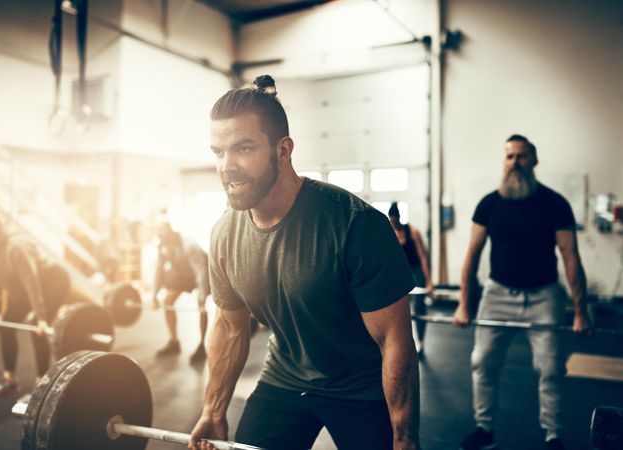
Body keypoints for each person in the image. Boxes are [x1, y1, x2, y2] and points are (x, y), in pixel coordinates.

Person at [188, 75, 420, 450]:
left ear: (283, 150)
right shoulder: (224, 235)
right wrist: (214, 411)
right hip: (286, 378)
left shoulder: (354, 224)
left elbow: (393, 338)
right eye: (218, 152)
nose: (226, 166)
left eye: (243, 148)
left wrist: (404, 435)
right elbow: (230, 328)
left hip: (361, 386)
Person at [453, 134, 590, 450]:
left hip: (544, 297)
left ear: (534, 160)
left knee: (551, 369)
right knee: (482, 361)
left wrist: (581, 312)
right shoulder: (489, 203)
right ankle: (484, 429)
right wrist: (464, 304)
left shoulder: (555, 203)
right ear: (504, 161)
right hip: (497, 295)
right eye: (510, 156)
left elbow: (571, 256)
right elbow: (472, 254)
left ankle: (553, 434)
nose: (515, 162)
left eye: (522, 156)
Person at [0, 200, 71, 400]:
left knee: (36, 327)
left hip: (53, 283)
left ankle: (41, 386)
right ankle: (10, 381)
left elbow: (32, 283)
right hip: (22, 290)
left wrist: (42, 318)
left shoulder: (17, 246)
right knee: (5, 324)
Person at [151, 220, 210, 364]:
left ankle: (202, 345)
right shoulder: (162, 246)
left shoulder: (188, 245)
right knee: (168, 300)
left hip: (203, 272)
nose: (161, 237)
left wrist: (202, 298)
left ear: (171, 234)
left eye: (164, 234)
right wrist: (154, 295)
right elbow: (159, 271)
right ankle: (174, 342)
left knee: (201, 307)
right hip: (183, 275)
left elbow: (200, 271)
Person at [388, 202, 433, 357]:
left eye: (394, 220)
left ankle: (420, 340)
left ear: (399, 218)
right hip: (400, 274)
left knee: (419, 307)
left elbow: (422, 257)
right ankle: (404, 343)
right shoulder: (390, 233)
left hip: (416, 272)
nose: (393, 222)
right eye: (390, 220)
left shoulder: (413, 232)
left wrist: (429, 282)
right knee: (400, 310)